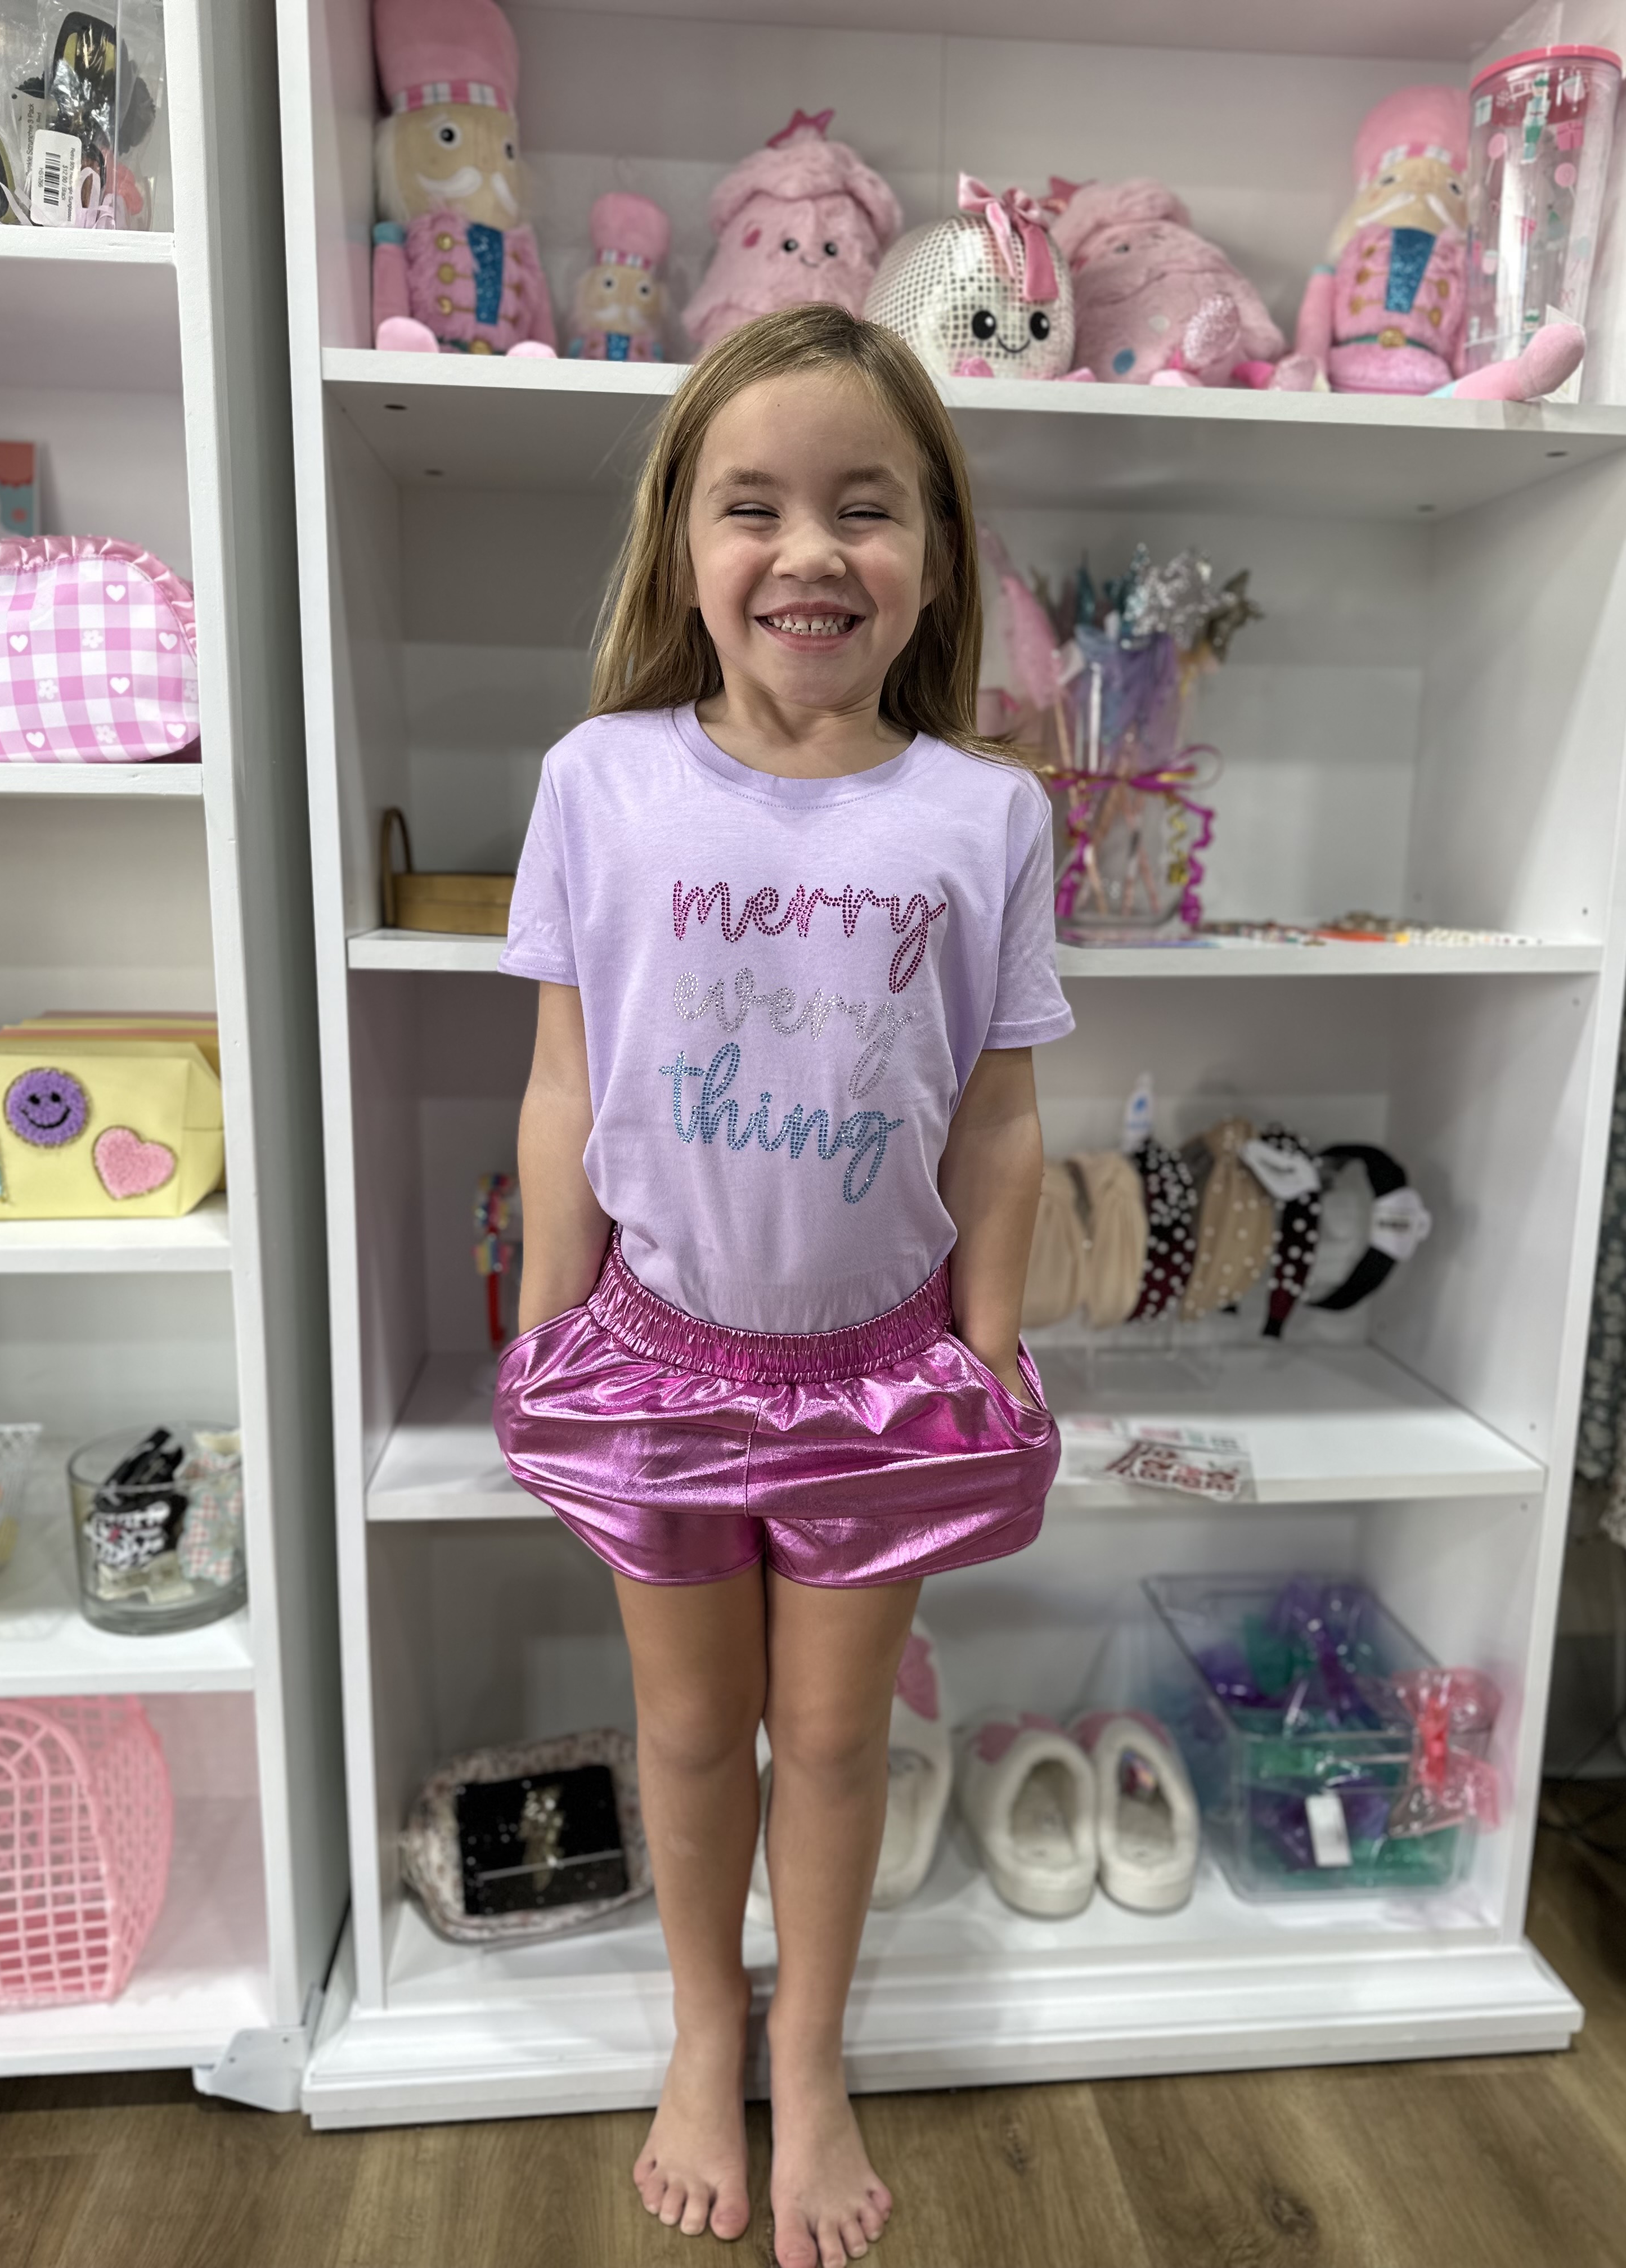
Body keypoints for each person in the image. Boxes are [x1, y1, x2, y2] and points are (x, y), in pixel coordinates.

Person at [495, 302, 1072, 2268]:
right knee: (685, 1732)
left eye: (864, 507)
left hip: (881, 1383)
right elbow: (563, 1084)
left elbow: (999, 1118)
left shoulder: (986, 815)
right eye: (754, 506)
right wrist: (548, 1336)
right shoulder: (600, 783)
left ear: (937, 552)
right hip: (654, 1370)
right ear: (684, 546)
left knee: (830, 1740)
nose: (809, 551)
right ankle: (702, 2034)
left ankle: (810, 2058)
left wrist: (985, 1357)